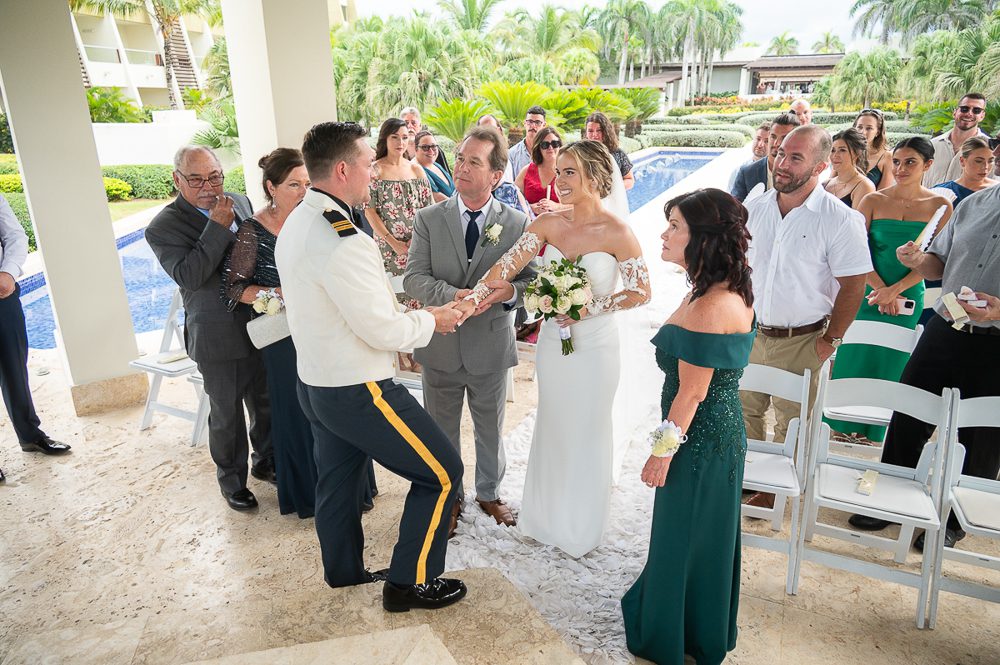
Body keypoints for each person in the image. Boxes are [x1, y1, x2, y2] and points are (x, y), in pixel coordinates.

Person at [273, 121, 467, 611]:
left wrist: (410, 311)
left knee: (338, 483)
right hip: (359, 388)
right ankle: (410, 583)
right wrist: (433, 320)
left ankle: (344, 574)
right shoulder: (343, 238)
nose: (374, 173)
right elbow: (380, 330)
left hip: (317, 383)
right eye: (366, 164)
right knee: (443, 473)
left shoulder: (300, 220)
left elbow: (349, 304)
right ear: (342, 170)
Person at [456, 139, 651, 557]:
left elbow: (641, 291)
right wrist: (474, 299)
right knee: (554, 422)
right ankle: (544, 518)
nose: (559, 180)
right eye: (558, 171)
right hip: (552, 346)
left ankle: (581, 525)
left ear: (595, 178)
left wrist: (587, 309)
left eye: (569, 173)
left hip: (596, 348)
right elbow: (505, 267)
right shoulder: (546, 224)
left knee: (588, 428)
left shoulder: (618, 232)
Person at [621, 188, 756, 665]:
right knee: (699, 536)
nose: (664, 233)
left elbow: (692, 394)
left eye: (675, 226)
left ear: (702, 238)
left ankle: (676, 635)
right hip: (712, 435)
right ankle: (697, 625)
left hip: (697, 441)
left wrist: (661, 453)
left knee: (686, 536)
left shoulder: (710, 307)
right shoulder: (717, 290)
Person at [847, 183, 1000, 551]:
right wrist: (917, 260)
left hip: (997, 342)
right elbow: (939, 263)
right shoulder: (973, 205)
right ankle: (888, 498)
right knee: (909, 414)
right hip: (946, 326)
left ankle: (955, 520)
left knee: (984, 435)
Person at [403, 127, 536, 533]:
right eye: (460, 158)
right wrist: (453, 295)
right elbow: (414, 278)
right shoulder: (428, 218)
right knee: (440, 431)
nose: (460, 167)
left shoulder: (516, 222)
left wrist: (509, 293)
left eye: (473, 162)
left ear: (495, 175)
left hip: (490, 345)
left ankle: (489, 493)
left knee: (490, 429)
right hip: (440, 346)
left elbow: (530, 282)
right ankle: (449, 497)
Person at [740, 125, 872, 508]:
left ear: (819, 166)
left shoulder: (840, 219)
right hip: (751, 333)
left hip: (804, 339)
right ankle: (748, 479)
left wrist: (830, 340)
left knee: (793, 423)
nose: (781, 163)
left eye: (795, 157)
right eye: (780, 152)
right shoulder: (754, 209)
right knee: (744, 412)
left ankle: (775, 493)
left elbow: (854, 285)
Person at [146, 146, 273, 512]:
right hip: (217, 333)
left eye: (215, 177)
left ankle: (266, 462)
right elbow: (191, 275)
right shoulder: (163, 226)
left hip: (261, 323)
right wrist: (216, 226)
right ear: (177, 180)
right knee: (226, 414)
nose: (209, 187)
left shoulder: (240, 201)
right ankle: (232, 482)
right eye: (197, 179)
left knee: (265, 403)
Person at [221, 148, 345, 519]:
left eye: (307, 183)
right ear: (271, 188)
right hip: (284, 337)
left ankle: (347, 489)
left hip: (324, 329)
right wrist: (276, 294)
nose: (304, 191)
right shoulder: (253, 230)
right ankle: (308, 493)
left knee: (334, 406)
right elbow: (233, 288)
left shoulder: (323, 218)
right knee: (296, 410)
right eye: (294, 184)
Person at [824, 137, 953, 444]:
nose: (901, 168)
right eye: (896, 161)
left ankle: (877, 431)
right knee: (854, 353)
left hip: (908, 293)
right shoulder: (873, 200)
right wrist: (881, 289)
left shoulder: (940, 206)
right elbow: (854, 251)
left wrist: (895, 291)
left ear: (928, 165)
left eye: (910, 162)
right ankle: (840, 424)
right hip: (867, 291)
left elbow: (938, 259)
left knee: (893, 359)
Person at [0, 192, 71, 477]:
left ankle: (30, 435)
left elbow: (15, 236)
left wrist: (8, 272)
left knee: (14, 368)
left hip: (2, 294)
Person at [364, 118, 433, 313]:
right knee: (394, 299)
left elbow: (428, 209)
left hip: (418, 244)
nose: (400, 142)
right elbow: (369, 211)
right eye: (394, 137)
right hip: (388, 247)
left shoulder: (416, 169)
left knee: (419, 293)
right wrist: (393, 243)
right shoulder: (374, 171)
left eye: (404, 137)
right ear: (385, 139)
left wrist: (418, 240)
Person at [923, 93, 990, 188]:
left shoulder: (990, 149)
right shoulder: (932, 145)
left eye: (976, 110)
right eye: (964, 109)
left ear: (982, 116)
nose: (969, 114)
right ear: (955, 112)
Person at [731, 112, 800, 202]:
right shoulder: (747, 172)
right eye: (773, 137)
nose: (776, 143)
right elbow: (734, 208)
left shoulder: (802, 173)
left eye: (784, 138)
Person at [932, 136, 998, 207]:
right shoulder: (942, 192)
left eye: (990, 161)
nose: (985, 167)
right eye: (978, 161)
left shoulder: (997, 190)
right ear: (962, 161)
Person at [515, 126, 564, 216]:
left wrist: (556, 207)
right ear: (538, 148)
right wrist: (531, 208)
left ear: (560, 145)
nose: (550, 147)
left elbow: (581, 205)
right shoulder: (527, 171)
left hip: (560, 223)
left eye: (554, 143)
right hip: (531, 223)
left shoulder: (567, 172)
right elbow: (511, 200)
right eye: (545, 144)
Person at [823, 128, 875, 209]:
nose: (835, 155)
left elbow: (859, 217)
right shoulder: (825, 184)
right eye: (832, 150)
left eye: (842, 150)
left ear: (857, 153)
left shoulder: (865, 186)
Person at [585, 111, 635, 190]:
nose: (594, 135)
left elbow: (629, 180)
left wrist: (611, 187)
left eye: (599, 130)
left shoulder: (618, 154)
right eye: (590, 131)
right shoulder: (580, 153)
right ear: (586, 133)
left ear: (606, 131)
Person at [402, 106, 451, 177]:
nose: (410, 126)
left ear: (420, 126)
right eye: (406, 123)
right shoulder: (397, 150)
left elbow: (446, 175)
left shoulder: (434, 150)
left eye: (413, 123)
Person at [854, 109, 895, 191]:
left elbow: (882, 194)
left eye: (869, 128)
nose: (863, 132)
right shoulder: (847, 151)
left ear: (878, 132)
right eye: (860, 127)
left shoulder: (887, 157)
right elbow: (832, 182)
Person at [413, 130, 454, 203]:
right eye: (425, 147)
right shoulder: (417, 169)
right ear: (416, 149)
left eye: (433, 146)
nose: (431, 151)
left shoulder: (437, 165)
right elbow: (435, 196)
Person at [507, 105, 546, 180]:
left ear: (544, 125)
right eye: (530, 122)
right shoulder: (512, 154)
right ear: (525, 123)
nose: (533, 126)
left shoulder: (549, 152)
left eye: (537, 122)